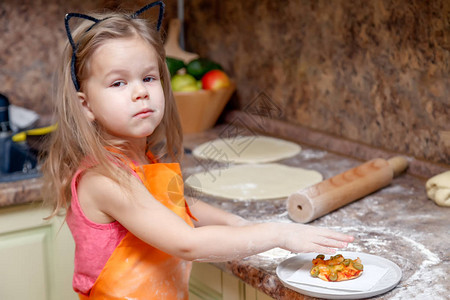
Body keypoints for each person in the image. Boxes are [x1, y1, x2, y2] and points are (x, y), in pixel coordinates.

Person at [42, 1, 354, 299]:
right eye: (118, 83)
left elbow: (176, 204)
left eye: (148, 78)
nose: (140, 92)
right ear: (86, 105)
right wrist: (278, 235)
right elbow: (187, 242)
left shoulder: (139, 157)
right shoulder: (104, 180)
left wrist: (242, 226)